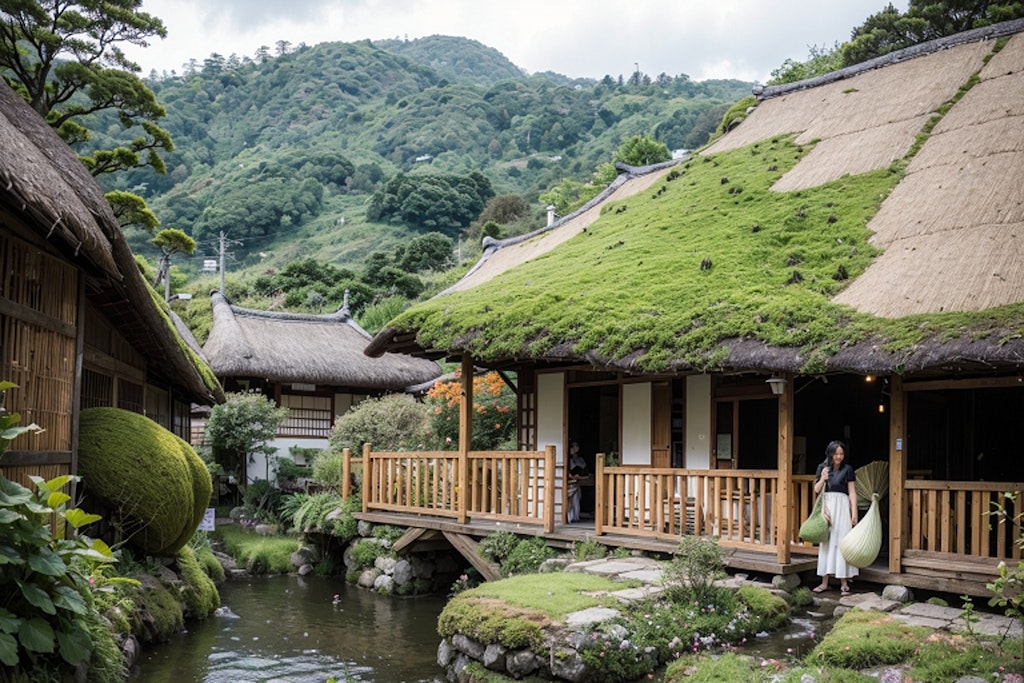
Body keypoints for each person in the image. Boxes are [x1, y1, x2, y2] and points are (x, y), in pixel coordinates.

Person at [812, 439, 859, 594]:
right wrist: (823, 478)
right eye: (836, 454)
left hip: (843, 507)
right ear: (830, 454)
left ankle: (843, 582)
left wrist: (854, 513)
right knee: (826, 543)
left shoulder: (848, 469)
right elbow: (817, 490)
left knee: (842, 543)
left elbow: (852, 492)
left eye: (841, 454)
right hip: (828, 508)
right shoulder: (822, 468)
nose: (839, 457)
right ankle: (824, 582)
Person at [566, 441, 588, 523]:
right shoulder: (567, 458)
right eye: (575, 446)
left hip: (577, 480)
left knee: (577, 499)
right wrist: (571, 476)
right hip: (569, 482)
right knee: (570, 500)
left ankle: (576, 516)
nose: (577, 448)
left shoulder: (579, 459)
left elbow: (584, 470)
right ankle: (570, 517)